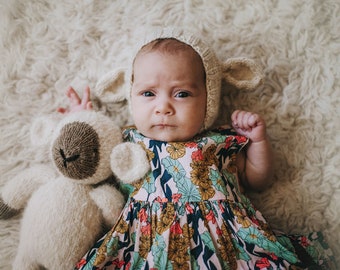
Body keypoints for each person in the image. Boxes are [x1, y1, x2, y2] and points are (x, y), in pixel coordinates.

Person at [59, 30, 336, 269]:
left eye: (181, 94)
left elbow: (258, 180)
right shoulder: (128, 142)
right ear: (130, 95)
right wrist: (83, 118)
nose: (163, 106)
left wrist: (258, 142)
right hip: (145, 246)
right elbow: (92, 157)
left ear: (208, 98)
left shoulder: (219, 144)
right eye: (148, 93)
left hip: (225, 246)